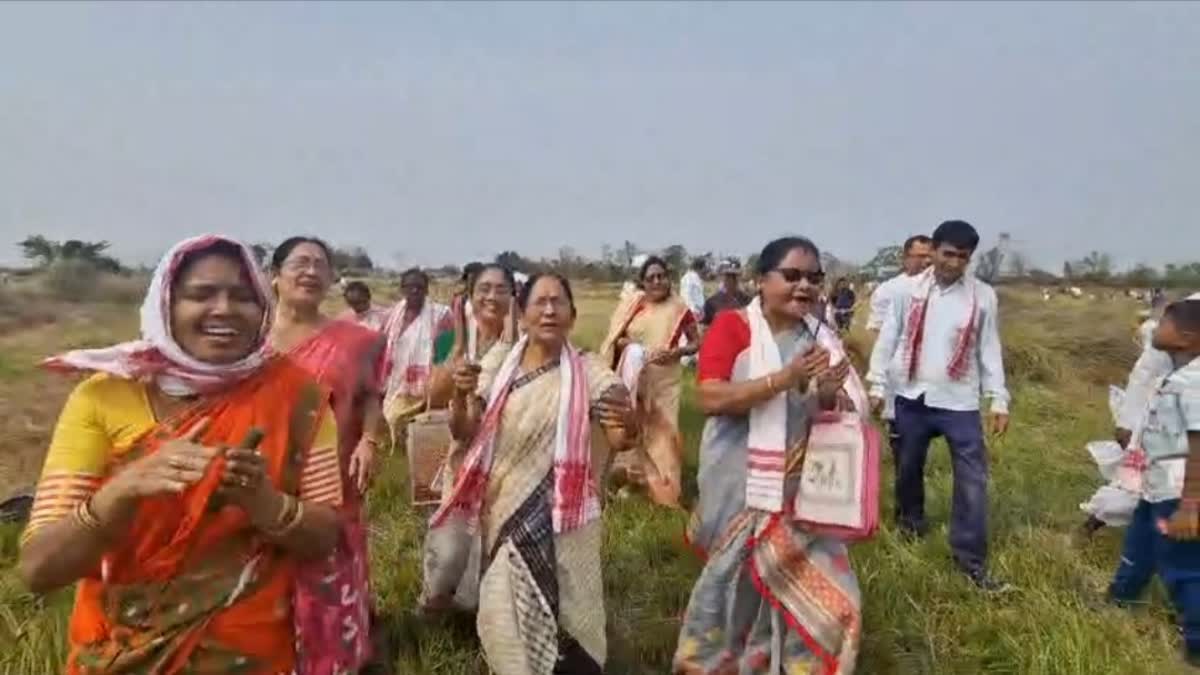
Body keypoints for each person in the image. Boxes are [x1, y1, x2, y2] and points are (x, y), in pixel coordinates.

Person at [19, 235, 343, 672]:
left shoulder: (297, 397)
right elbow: (40, 570)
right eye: (201, 294)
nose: (224, 309)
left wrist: (266, 504)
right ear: (166, 303)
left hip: (250, 654)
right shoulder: (103, 398)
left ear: (263, 307)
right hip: (118, 651)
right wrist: (122, 491)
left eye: (243, 296)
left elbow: (325, 540)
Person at [422, 273, 636, 674]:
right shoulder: (498, 364)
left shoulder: (588, 370)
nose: (550, 310)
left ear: (572, 315)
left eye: (559, 302)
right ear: (521, 315)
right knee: (503, 608)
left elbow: (621, 436)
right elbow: (464, 431)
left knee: (561, 606)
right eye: (540, 302)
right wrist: (462, 394)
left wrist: (629, 420)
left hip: (558, 516)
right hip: (501, 509)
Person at [674, 236, 863, 674]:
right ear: (762, 280)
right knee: (734, 598)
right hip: (739, 492)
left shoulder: (821, 338)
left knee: (839, 604)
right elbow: (709, 398)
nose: (805, 287)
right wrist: (784, 378)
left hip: (804, 499)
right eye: (792, 276)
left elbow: (838, 413)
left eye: (814, 278)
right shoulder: (733, 328)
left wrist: (830, 393)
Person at [867, 220, 1010, 592]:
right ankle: (910, 527)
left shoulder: (982, 297)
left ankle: (969, 559)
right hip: (911, 396)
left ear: (969, 258)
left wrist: (999, 398)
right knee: (908, 470)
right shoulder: (906, 291)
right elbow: (888, 338)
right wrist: (877, 383)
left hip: (959, 401)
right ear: (933, 251)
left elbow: (989, 349)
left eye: (962, 257)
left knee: (973, 481)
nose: (953, 263)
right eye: (947, 254)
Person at [269, 236, 385, 675]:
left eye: (321, 264)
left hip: (333, 483)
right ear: (274, 276)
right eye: (299, 262)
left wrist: (368, 441)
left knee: (330, 585)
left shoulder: (355, 341)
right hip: (265, 482)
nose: (311, 271)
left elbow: (371, 396)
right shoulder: (249, 342)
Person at [1107, 299, 1200, 667]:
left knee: (1183, 567)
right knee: (1139, 545)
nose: (1155, 328)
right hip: (1157, 486)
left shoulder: (1193, 384)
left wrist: (1191, 504)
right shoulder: (1178, 375)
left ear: (1188, 338)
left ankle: (1195, 641)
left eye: (1164, 324)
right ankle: (1120, 600)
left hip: (1179, 492)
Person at [600, 256, 700, 506]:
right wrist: (634, 349)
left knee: (663, 434)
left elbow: (697, 342)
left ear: (669, 278)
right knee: (633, 429)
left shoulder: (680, 309)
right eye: (651, 278)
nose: (657, 281)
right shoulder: (633, 305)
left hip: (664, 382)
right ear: (642, 282)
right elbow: (616, 339)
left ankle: (665, 490)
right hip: (635, 380)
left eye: (661, 276)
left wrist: (678, 352)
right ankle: (631, 483)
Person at [866, 235, 935, 452]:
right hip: (898, 377)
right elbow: (878, 334)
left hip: (932, 377)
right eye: (920, 256)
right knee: (902, 441)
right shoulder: (888, 290)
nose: (926, 262)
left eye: (930, 257)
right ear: (905, 258)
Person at [428, 263, 521, 409]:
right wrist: (457, 349)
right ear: (470, 297)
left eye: (501, 290)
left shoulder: (525, 344)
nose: (492, 297)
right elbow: (432, 400)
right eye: (484, 290)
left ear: (513, 298)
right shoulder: (454, 342)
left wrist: (508, 344)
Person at [380, 268, 454, 437]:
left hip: (427, 387)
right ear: (402, 289)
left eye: (419, 287)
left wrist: (435, 387)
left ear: (427, 290)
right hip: (395, 384)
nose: (414, 291)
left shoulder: (442, 315)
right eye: (409, 286)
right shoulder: (391, 316)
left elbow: (445, 353)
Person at [701, 258, 751, 326]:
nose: (732, 280)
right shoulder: (712, 303)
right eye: (728, 275)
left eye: (735, 276)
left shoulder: (748, 301)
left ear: (739, 276)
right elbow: (706, 328)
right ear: (722, 276)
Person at [680, 258, 707, 323]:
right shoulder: (689, 278)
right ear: (699, 267)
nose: (705, 270)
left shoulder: (696, 278)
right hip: (693, 312)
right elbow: (687, 295)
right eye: (704, 267)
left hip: (698, 312)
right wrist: (693, 310)